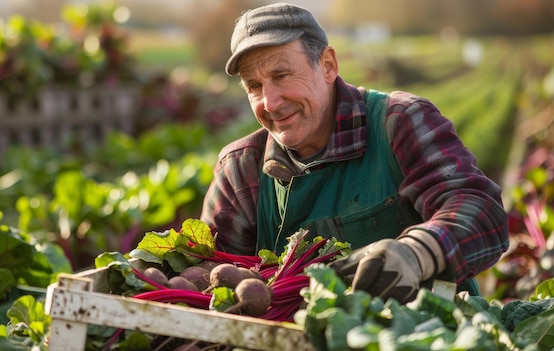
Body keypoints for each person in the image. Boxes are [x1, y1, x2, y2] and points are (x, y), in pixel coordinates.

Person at [199, 2, 509, 303]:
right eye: (254, 86)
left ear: (328, 66)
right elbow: (213, 275)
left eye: (281, 76)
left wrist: (419, 253)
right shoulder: (240, 168)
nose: (270, 102)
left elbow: (482, 211)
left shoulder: (398, 121)